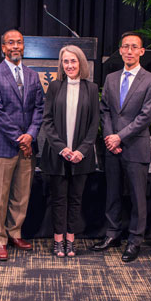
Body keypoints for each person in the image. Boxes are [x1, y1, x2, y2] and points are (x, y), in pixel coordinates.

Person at [93, 31, 151, 263]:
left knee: (137, 197)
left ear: (142, 51)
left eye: (134, 47)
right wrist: (110, 136)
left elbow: (146, 116)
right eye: (125, 47)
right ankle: (112, 234)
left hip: (135, 146)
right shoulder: (111, 78)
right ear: (120, 51)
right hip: (112, 147)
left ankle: (134, 240)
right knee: (112, 193)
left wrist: (119, 137)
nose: (129, 51)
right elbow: (105, 110)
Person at [0, 29, 44, 261]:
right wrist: (21, 138)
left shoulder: (31, 75)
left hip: (27, 146)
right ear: (3, 47)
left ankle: (15, 232)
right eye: (11, 43)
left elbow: (39, 108)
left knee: (21, 194)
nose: (15, 46)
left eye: (19, 42)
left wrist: (31, 135)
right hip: (3, 145)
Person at [41, 45, 99, 258]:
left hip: (81, 157)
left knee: (75, 199)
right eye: (65, 61)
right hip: (58, 155)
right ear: (61, 64)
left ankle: (71, 240)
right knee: (58, 199)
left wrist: (81, 151)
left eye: (73, 61)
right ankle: (58, 241)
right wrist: (62, 148)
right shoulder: (55, 86)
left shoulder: (91, 89)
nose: (69, 65)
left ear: (81, 63)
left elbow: (94, 124)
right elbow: (47, 121)